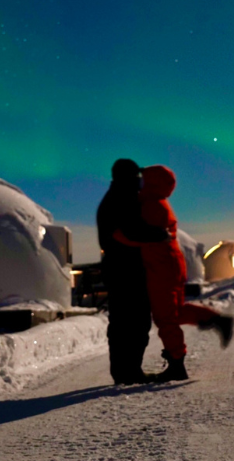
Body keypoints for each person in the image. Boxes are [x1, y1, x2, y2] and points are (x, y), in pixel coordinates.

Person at [114, 163, 234, 382]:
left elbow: (141, 234)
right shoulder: (158, 203)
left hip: (161, 268)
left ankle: (177, 364)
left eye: (144, 177)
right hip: (169, 265)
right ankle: (215, 320)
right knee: (175, 311)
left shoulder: (152, 205)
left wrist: (118, 235)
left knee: (166, 317)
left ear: (152, 182)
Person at [95, 158, 169, 385]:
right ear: (127, 176)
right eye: (136, 176)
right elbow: (131, 231)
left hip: (119, 268)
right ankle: (129, 372)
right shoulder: (122, 198)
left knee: (122, 323)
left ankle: (124, 371)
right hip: (126, 269)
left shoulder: (114, 197)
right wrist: (160, 234)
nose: (140, 180)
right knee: (134, 323)